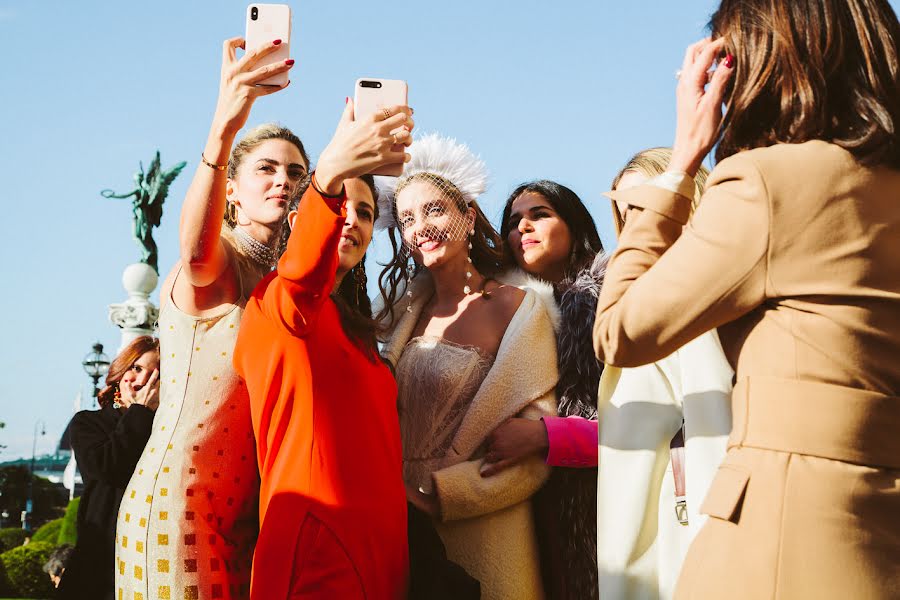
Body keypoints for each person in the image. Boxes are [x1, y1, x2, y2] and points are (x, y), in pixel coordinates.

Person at [593, 0, 900, 597]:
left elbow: (620, 331)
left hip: (785, 530)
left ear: (768, 61)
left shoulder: (769, 182)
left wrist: (680, 163)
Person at [116, 36, 305, 600]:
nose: (284, 181)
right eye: (267, 169)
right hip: (178, 509)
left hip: (250, 512)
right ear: (232, 193)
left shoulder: (285, 280)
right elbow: (195, 253)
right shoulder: (216, 261)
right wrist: (223, 129)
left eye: (297, 173)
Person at [233, 96, 415, 599]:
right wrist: (330, 173)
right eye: (340, 206)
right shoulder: (277, 301)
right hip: (319, 555)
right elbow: (300, 274)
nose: (351, 220)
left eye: (364, 212)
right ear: (300, 219)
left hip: (384, 556)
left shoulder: (354, 327)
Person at [375, 133, 559, 600]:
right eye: (408, 219)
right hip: (398, 535)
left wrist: (436, 496)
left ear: (469, 215)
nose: (421, 228)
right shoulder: (395, 319)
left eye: (435, 210)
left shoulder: (520, 310)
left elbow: (534, 450)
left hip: (487, 531)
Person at [599, 149, 733, 600]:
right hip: (666, 524)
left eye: (645, 207)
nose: (638, 228)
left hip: (709, 526)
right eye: (626, 216)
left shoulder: (708, 298)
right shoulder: (638, 313)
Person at [486, 179, 606, 600]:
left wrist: (542, 436)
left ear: (574, 224)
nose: (524, 228)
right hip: (530, 513)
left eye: (540, 215)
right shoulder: (509, 312)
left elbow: (639, 427)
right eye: (514, 222)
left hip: (601, 514)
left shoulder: (604, 300)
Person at [57, 336, 159, 600]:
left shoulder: (170, 429)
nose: (142, 381)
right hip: (100, 563)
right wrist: (140, 411)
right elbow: (107, 466)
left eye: (155, 373)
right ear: (119, 373)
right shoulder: (88, 423)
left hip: (152, 559)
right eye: (136, 368)